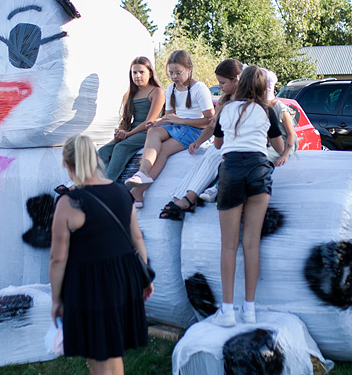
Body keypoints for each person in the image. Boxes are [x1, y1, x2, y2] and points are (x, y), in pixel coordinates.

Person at [50, 135, 154, 375]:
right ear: (95, 158)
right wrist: (144, 277)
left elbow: (57, 258)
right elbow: (136, 237)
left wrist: (56, 299)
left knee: (98, 364)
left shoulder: (70, 203)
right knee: (114, 351)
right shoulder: (122, 192)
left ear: (69, 164)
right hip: (124, 279)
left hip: (92, 285)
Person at [208, 66, 290, 327]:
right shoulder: (267, 110)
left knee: (228, 246)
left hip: (232, 171)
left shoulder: (227, 109)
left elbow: (218, 144)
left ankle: (227, 311)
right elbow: (277, 147)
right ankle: (250, 309)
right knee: (252, 245)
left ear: (240, 84)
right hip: (258, 171)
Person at [124, 49, 213, 207]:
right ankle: (143, 172)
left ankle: (138, 192)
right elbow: (169, 116)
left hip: (194, 130)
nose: (174, 77)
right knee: (153, 131)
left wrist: (182, 120)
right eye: (171, 73)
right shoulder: (171, 88)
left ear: (189, 69)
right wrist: (158, 122)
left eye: (178, 73)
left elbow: (209, 121)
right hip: (178, 126)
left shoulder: (200, 89)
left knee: (164, 151)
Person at [159, 58, 243, 220]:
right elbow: (212, 126)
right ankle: (178, 197)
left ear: (236, 81)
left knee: (213, 156)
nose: (219, 87)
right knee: (202, 161)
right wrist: (198, 142)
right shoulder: (224, 101)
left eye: (222, 83)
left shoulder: (244, 103)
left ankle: (189, 198)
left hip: (237, 146)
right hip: (223, 143)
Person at [97, 57, 165, 182]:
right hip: (132, 130)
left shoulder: (157, 92)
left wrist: (128, 135)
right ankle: (91, 182)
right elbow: (126, 120)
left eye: (141, 72)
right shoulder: (129, 94)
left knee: (121, 148)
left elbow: (149, 121)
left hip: (149, 131)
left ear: (150, 73)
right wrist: (121, 132)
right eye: (134, 72)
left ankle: (107, 184)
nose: (137, 76)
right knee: (103, 151)